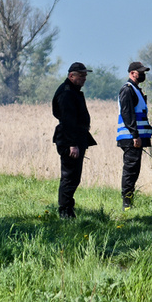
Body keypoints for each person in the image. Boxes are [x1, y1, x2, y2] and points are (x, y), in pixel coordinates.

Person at [52, 62, 97, 219]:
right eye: (81, 76)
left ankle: (68, 210)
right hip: (69, 140)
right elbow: (67, 120)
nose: (84, 79)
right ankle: (65, 212)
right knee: (69, 177)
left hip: (76, 138)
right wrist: (72, 144)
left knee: (73, 177)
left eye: (85, 75)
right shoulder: (66, 93)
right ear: (71, 76)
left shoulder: (73, 91)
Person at [117, 61, 152, 210]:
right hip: (130, 138)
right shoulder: (127, 90)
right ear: (132, 73)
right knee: (130, 170)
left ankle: (129, 202)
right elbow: (127, 113)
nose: (143, 74)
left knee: (134, 170)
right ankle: (126, 204)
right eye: (141, 72)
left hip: (135, 137)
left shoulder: (135, 90)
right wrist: (135, 135)